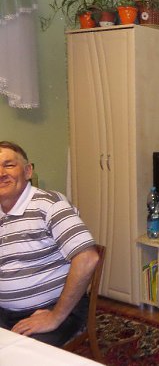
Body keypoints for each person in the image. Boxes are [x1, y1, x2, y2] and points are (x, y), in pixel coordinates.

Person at [0, 141, 99, 346]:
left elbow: (88, 258)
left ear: (28, 171)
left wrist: (55, 317)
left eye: (9, 165)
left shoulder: (50, 205)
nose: (1, 173)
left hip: (53, 308)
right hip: (5, 312)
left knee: (23, 356)